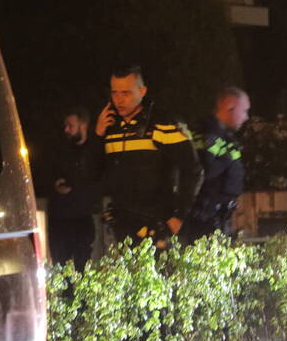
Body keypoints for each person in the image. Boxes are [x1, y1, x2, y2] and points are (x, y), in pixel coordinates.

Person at [95, 64, 201, 250]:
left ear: (142, 91)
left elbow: (192, 170)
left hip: (158, 225)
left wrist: (179, 216)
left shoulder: (164, 124)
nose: (119, 100)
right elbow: (91, 174)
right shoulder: (109, 127)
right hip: (122, 226)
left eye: (126, 93)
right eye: (115, 93)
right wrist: (97, 135)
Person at [182, 87, 251, 245]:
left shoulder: (223, 135)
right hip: (205, 219)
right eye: (244, 110)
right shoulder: (209, 134)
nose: (246, 117)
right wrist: (229, 155)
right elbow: (206, 171)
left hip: (218, 216)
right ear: (230, 106)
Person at [46, 107, 100, 269]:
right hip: (60, 219)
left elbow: (94, 178)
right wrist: (55, 184)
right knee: (61, 265)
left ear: (83, 125)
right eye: (65, 125)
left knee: (83, 264)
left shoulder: (92, 151)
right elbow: (47, 174)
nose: (66, 130)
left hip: (81, 218)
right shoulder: (59, 150)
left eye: (70, 125)